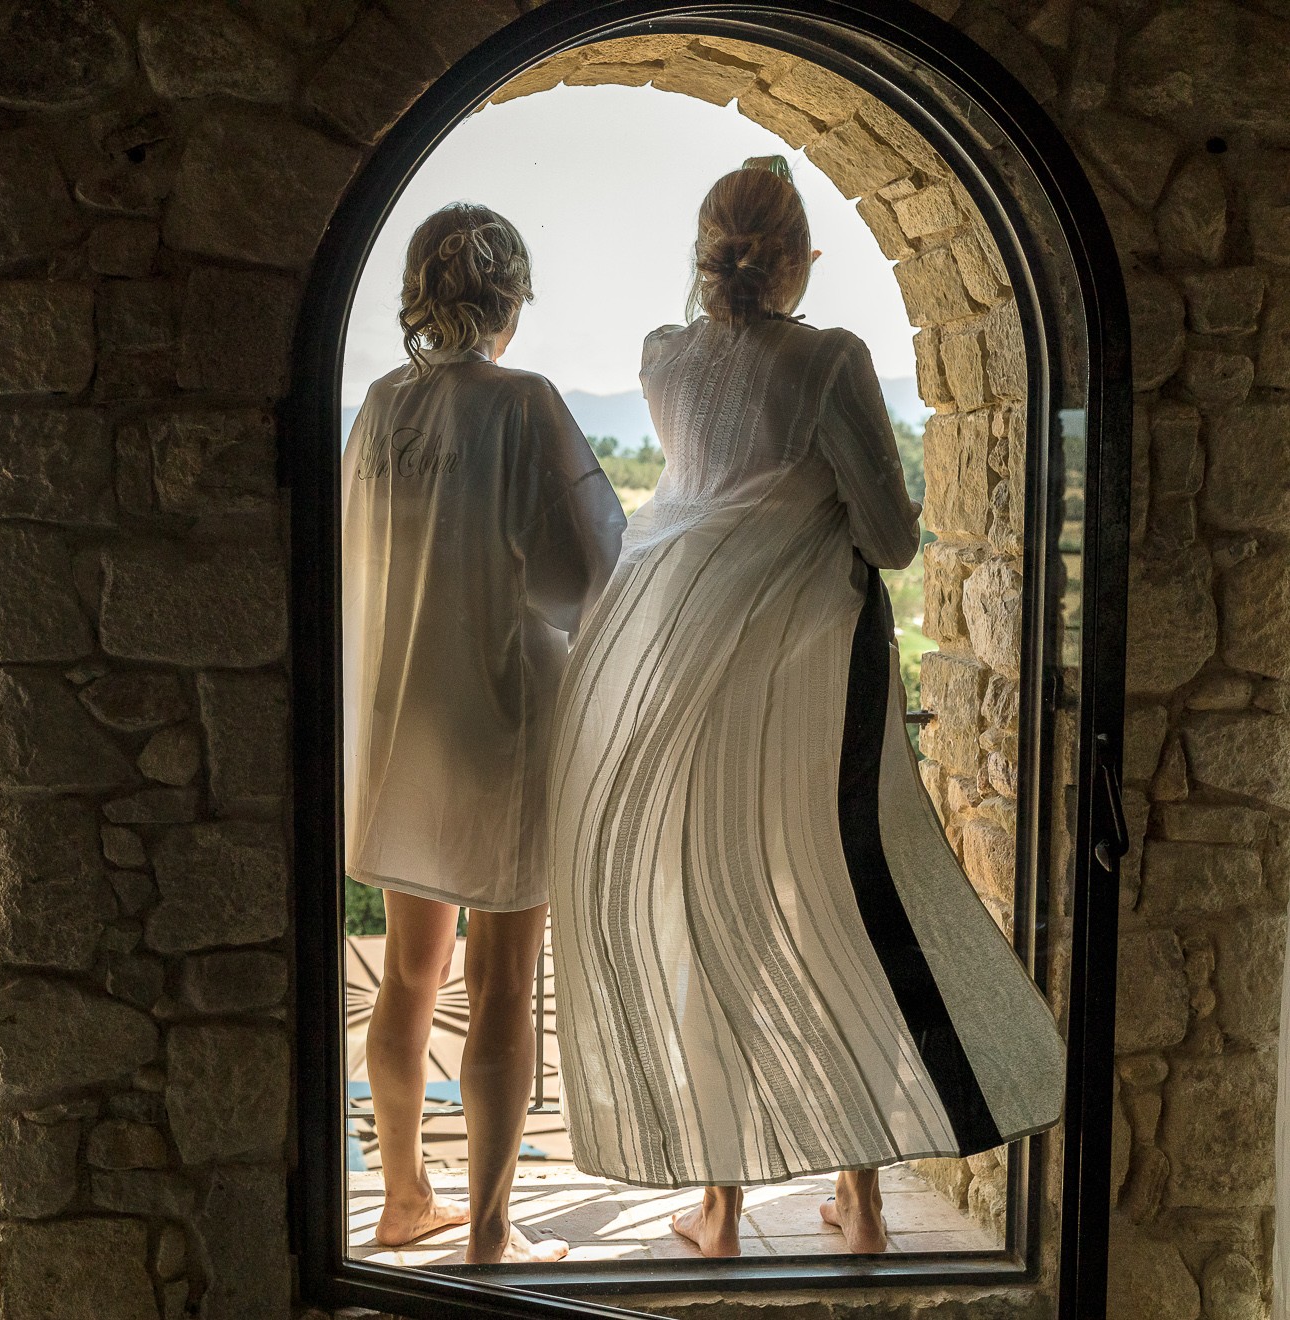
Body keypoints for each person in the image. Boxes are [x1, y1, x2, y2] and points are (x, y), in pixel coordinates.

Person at [546, 158, 1064, 1257]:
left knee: (708, 908)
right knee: (851, 902)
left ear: (707, 255)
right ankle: (865, 1202)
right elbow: (888, 538)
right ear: (800, 258)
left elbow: (707, 492)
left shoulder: (661, 364)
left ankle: (721, 1210)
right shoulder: (832, 361)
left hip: (689, 680)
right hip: (819, 683)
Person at [344, 202, 627, 1265]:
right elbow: (588, 571)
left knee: (409, 975)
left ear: (420, 294)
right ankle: (493, 1230)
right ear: (510, 300)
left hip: (399, 717)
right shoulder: (525, 405)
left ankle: (402, 1195)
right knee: (504, 979)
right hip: (504, 719)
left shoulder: (379, 409)